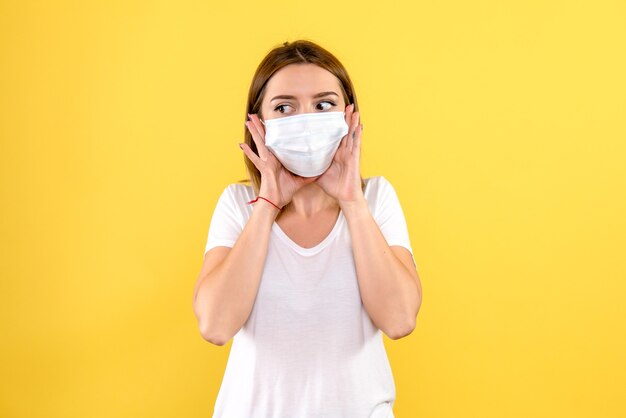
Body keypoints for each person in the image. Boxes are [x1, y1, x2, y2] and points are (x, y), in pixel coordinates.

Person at [192, 39, 422, 418]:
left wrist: (352, 202)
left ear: (348, 116)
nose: (305, 119)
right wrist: (267, 206)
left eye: (323, 104)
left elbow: (399, 320)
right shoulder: (237, 205)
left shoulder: (376, 199)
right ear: (258, 124)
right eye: (284, 107)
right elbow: (215, 325)